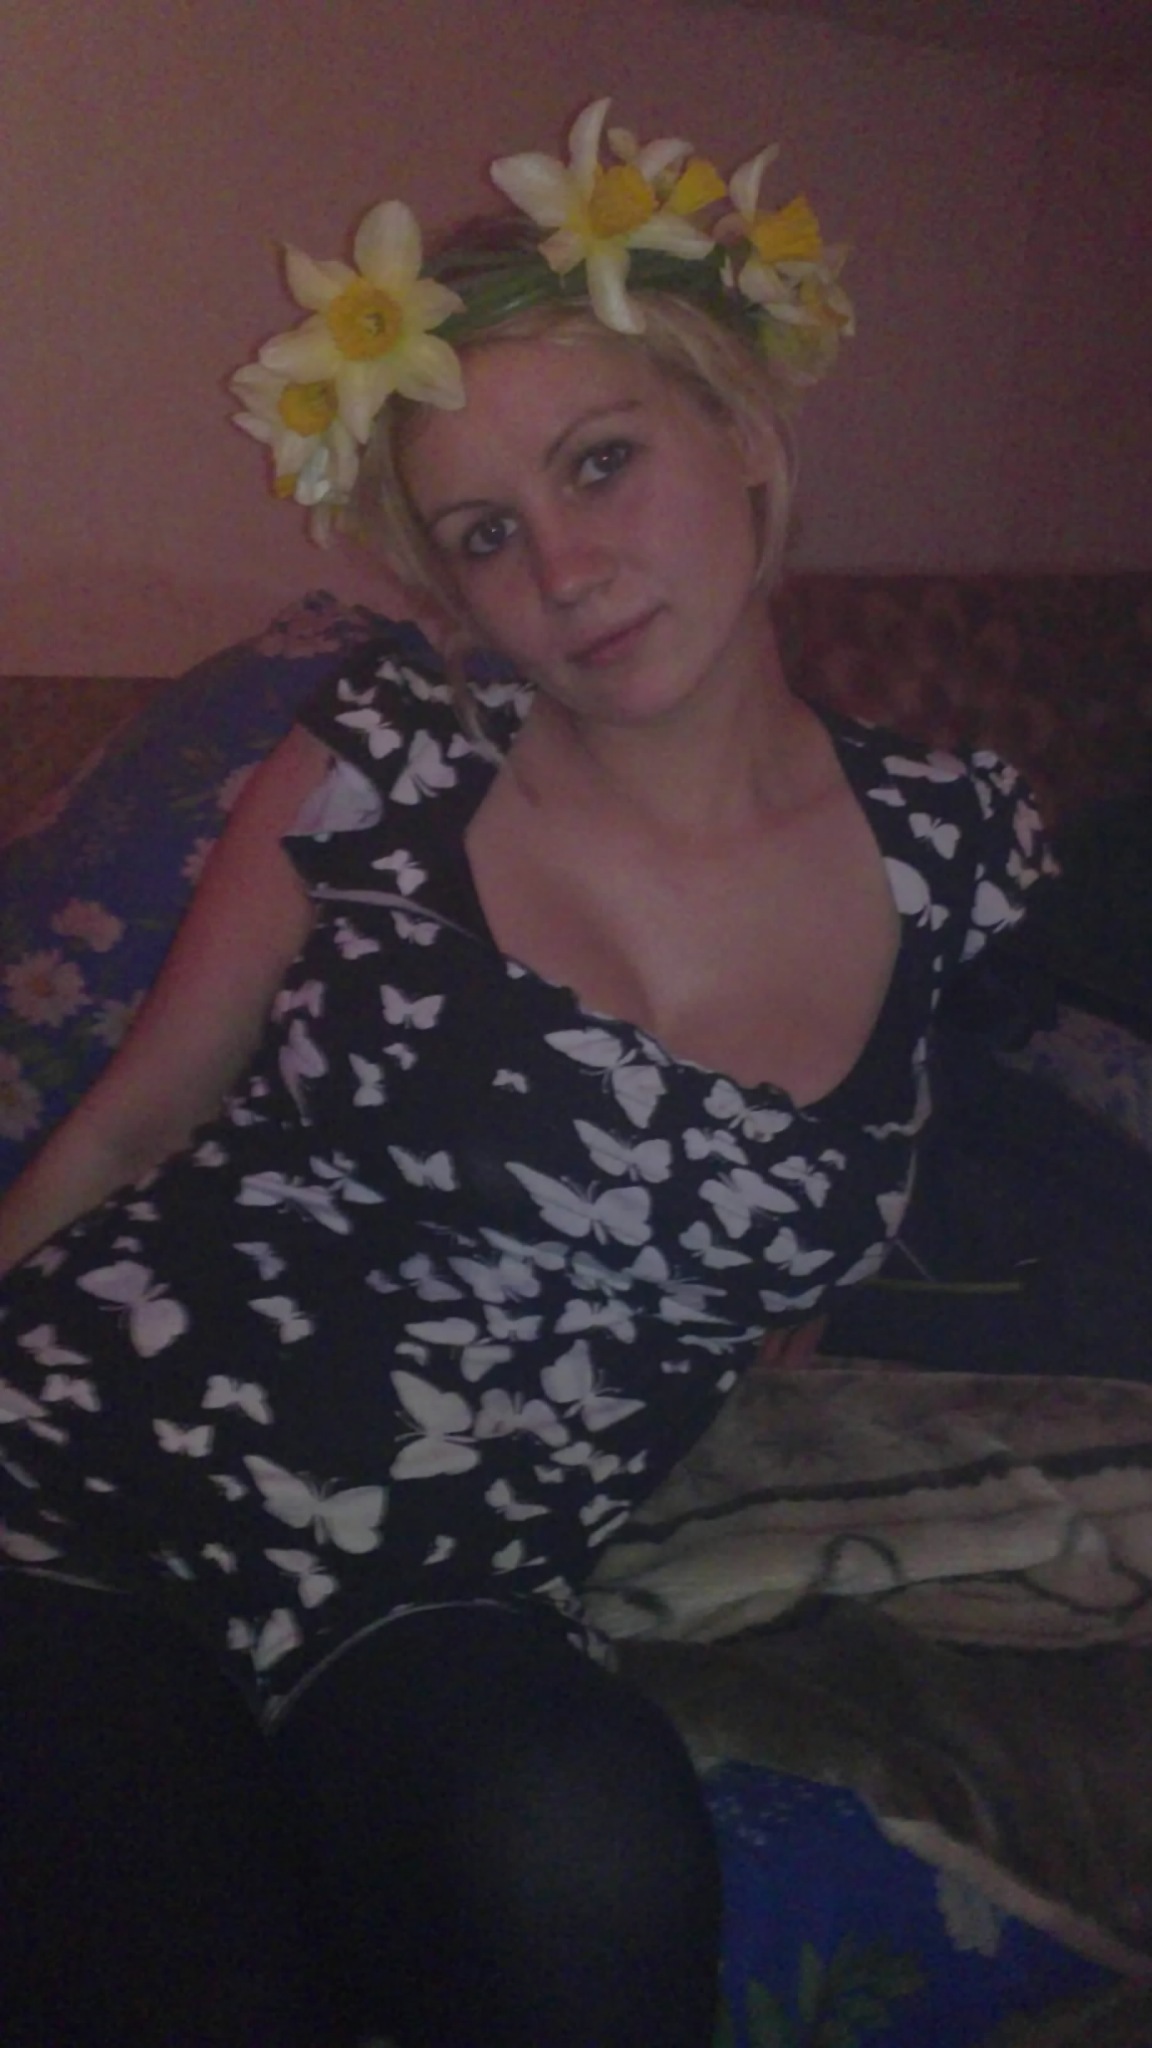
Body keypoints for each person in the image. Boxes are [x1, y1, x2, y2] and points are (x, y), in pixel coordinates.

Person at [0, 99, 1053, 2048]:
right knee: (197, 1989)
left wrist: (785, 1284)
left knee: (586, 1861)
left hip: (449, 1583)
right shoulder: (386, 748)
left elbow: (894, 1151)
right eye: (489, 532)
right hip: (89, 1481)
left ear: (744, 430)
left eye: (601, 460)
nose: (563, 566)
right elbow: (137, 1117)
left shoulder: (957, 846)